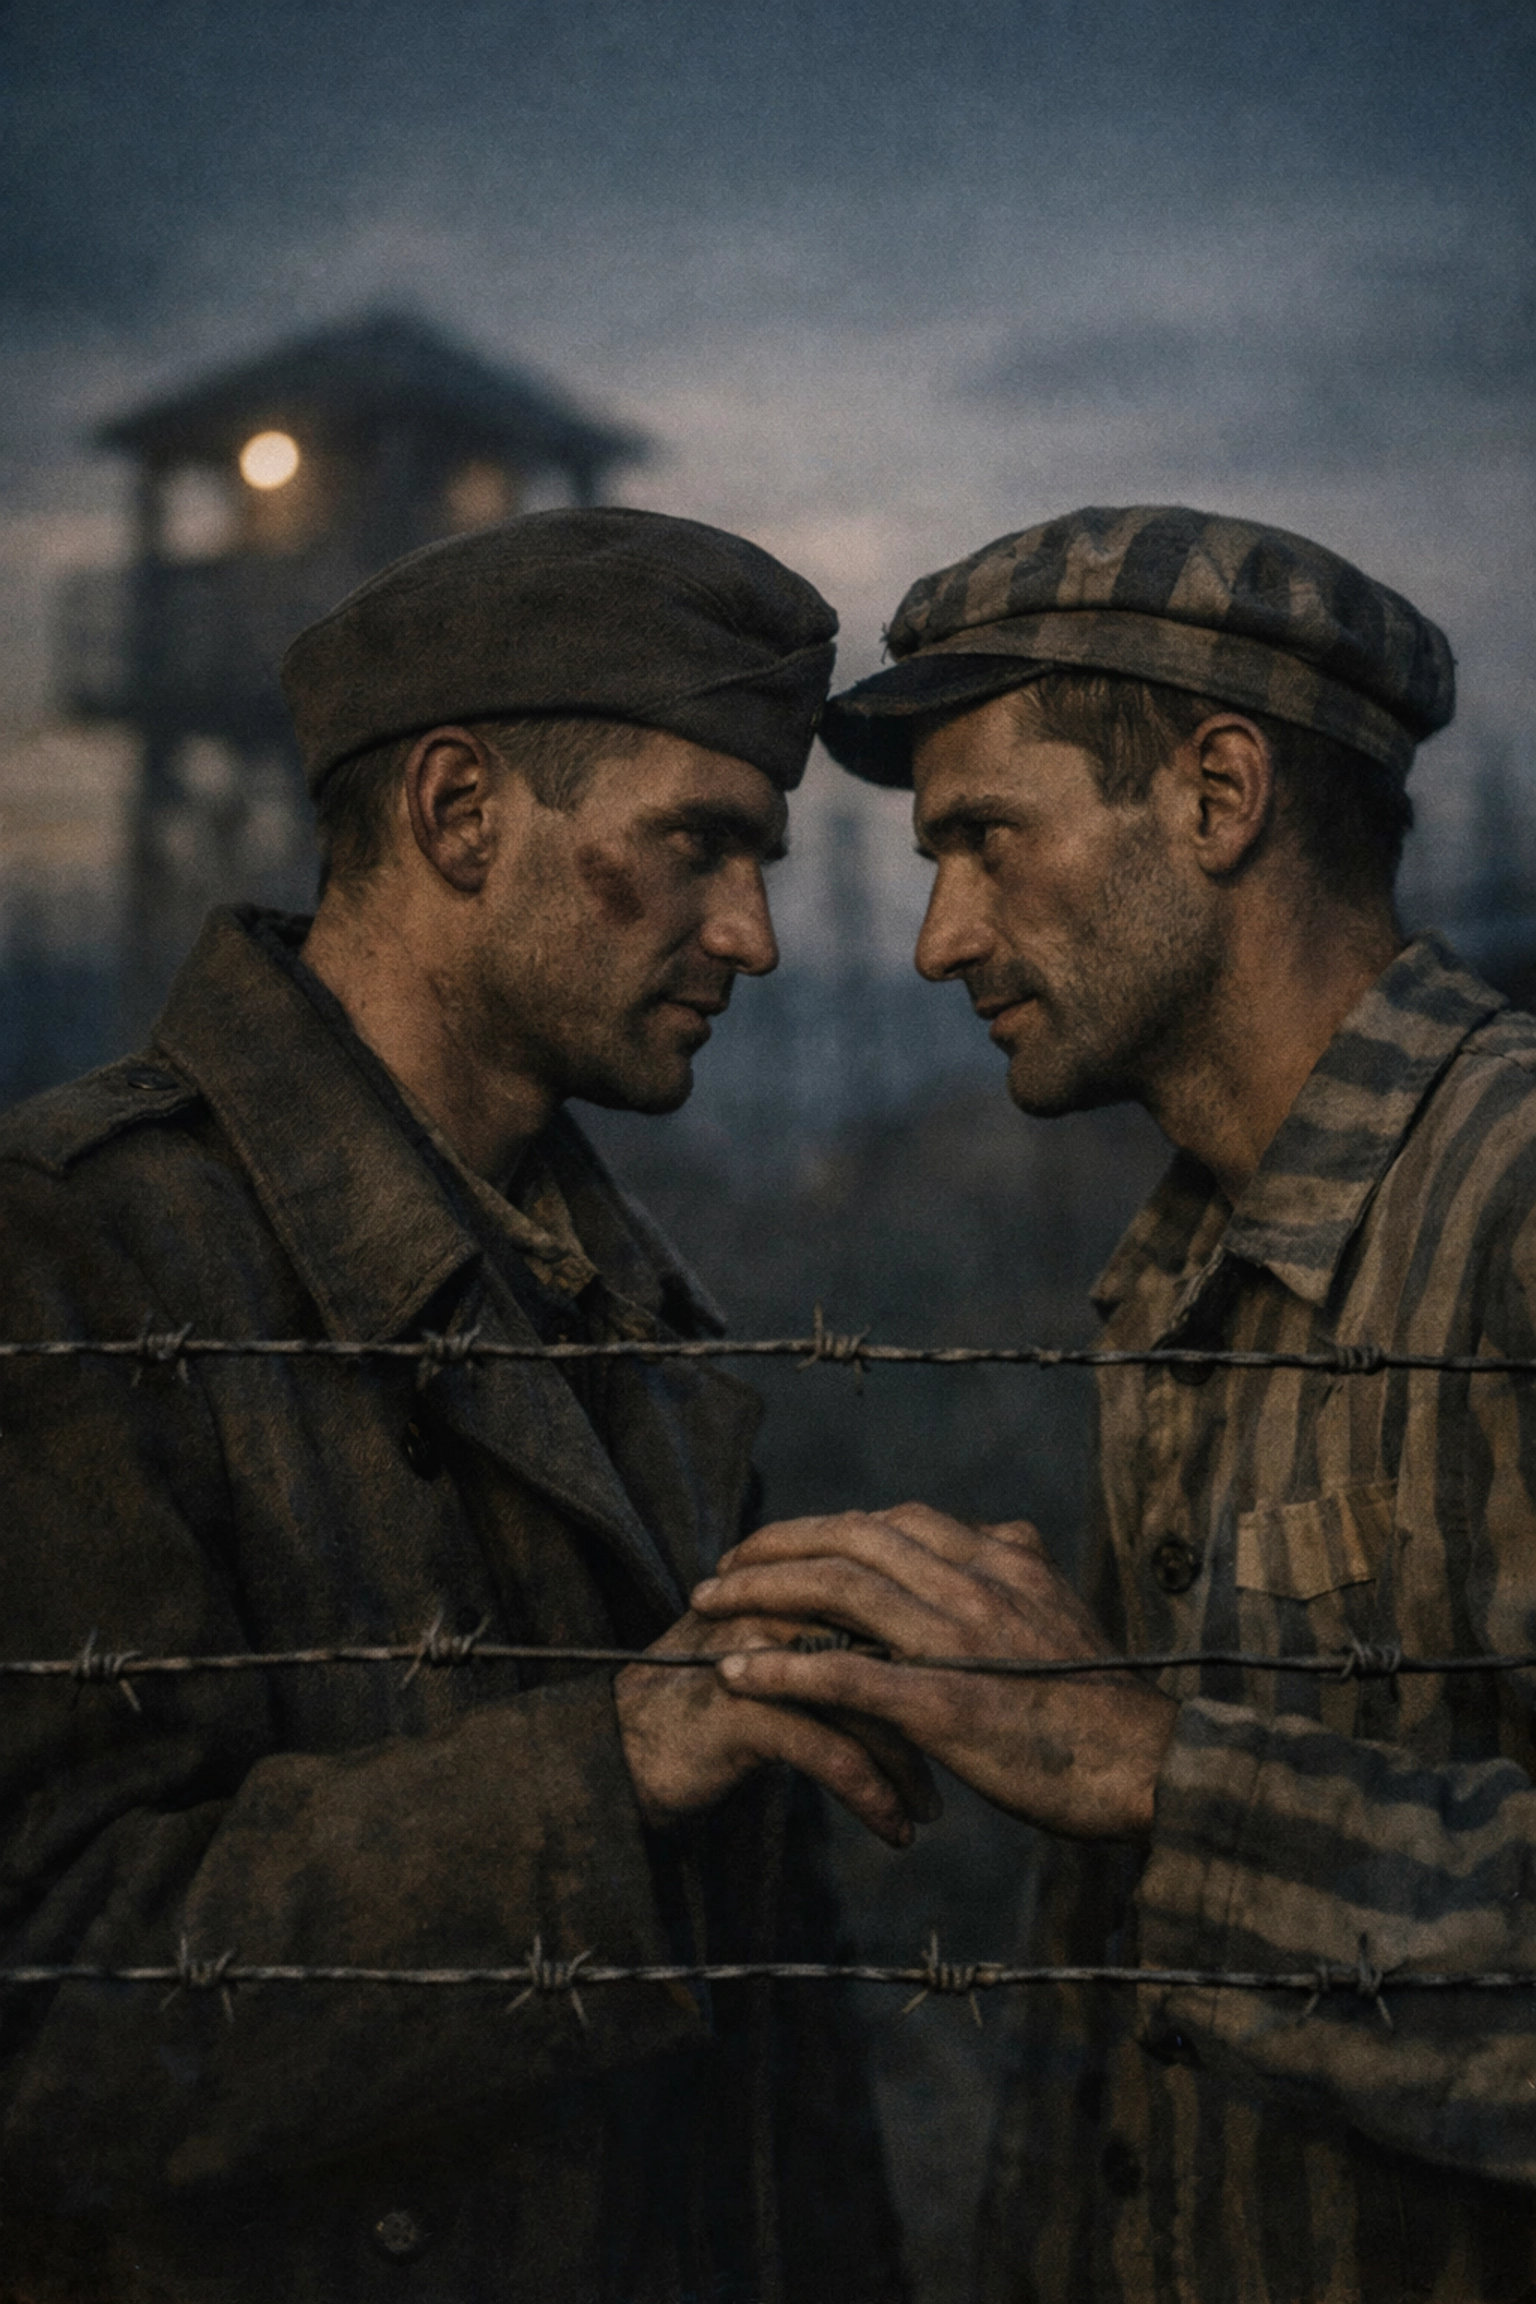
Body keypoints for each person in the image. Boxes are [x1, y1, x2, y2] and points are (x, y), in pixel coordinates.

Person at [0, 510, 917, 2304]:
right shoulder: (77, 1253)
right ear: (457, 813)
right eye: (697, 843)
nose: (753, 933)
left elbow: (776, 2088)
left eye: (764, 859)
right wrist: (610, 1772)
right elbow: (46, 2005)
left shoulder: (629, 1309)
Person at [693, 505, 1536, 2300]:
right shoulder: (1180, 1266)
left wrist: (1145, 1765)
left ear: (1219, 797)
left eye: (989, 840)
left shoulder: (1514, 1204)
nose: (940, 940)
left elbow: (1130, 1782)